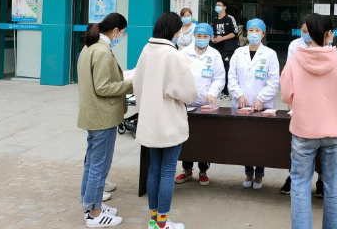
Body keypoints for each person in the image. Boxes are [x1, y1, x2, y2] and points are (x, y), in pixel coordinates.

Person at [280, 13, 337, 229]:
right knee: (333, 185)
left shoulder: (294, 60)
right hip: (335, 132)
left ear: (309, 33)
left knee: (300, 184)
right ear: (329, 34)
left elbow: (286, 96)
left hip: (304, 130)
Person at [133, 12, 198, 229]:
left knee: (154, 169)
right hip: (169, 121)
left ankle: (154, 220)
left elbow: (137, 83)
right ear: (175, 31)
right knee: (168, 171)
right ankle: (163, 223)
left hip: (150, 120)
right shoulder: (172, 55)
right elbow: (189, 92)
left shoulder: (146, 50)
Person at [77, 13, 133, 228]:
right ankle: (94, 214)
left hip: (93, 114)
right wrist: (131, 83)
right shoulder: (101, 51)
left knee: (92, 163)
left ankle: (91, 204)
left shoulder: (91, 46)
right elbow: (102, 87)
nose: (122, 36)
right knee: (99, 166)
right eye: (122, 32)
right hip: (102, 116)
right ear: (115, 30)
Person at [228, 18, 280, 190]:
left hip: (262, 106)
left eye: (258, 31)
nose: (254, 34)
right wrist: (239, 94)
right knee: (245, 141)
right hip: (242, 105)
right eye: (251, 30)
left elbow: (274, 81)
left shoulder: (270, 54)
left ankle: (259, 174)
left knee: (261, 141)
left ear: (263, 34)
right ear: (246, 33)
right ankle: (248, 172)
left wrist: (261, 98)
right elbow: (232, 77)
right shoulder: (238, 53)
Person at [175, 23, 226, 187]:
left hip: (206, 104)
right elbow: (177, 75)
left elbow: (219, 78)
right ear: (194, 36)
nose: (201, 39)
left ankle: (203, 170)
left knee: (204, 138)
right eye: (199, 36)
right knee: (186, 138)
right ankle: (187, 169)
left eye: (205, 37)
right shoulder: (184, 53)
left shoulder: (214, 55)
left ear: (210, 38)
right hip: (186, 103)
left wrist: (212, 92)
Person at [281, 18, 324, 198]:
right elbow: (290, 72)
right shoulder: (295, 45)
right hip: (300, 98)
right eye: (304, 31)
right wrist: (291, 100)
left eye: (309, 31)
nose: (306, 34)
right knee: (298, 145)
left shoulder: (325, 44)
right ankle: (293, 178)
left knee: (321, 143)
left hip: (320, 101)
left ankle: (321, 180)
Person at [212, 0, 238, 97]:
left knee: (227, 69)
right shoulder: (215, 20)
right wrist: (213, 39)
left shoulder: (230, 18)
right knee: (219, 69)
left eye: (220, 5)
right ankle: (220, 90)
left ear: (224, 7)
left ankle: (226, 91)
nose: (217, 7)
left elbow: (234, 33)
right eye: (216, 5)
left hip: (228, 48)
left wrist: (222, 38)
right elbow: (212, 33)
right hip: (218, 48)